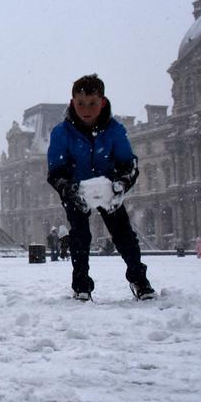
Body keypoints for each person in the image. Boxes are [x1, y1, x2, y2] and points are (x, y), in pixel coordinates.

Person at [47, 73, 155, 301]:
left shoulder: (115, 130)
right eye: (80, 103)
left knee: (124, 235)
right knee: (80, 237)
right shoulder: (60, 132)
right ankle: (81, 285)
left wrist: (120, 184)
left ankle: (139, 280)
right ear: (72, 103)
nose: (86, 109)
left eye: (92, 103)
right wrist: (68, 188)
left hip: (108, 190)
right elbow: (56, 170)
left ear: (102, 102)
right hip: (76, 190)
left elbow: (129, 165)